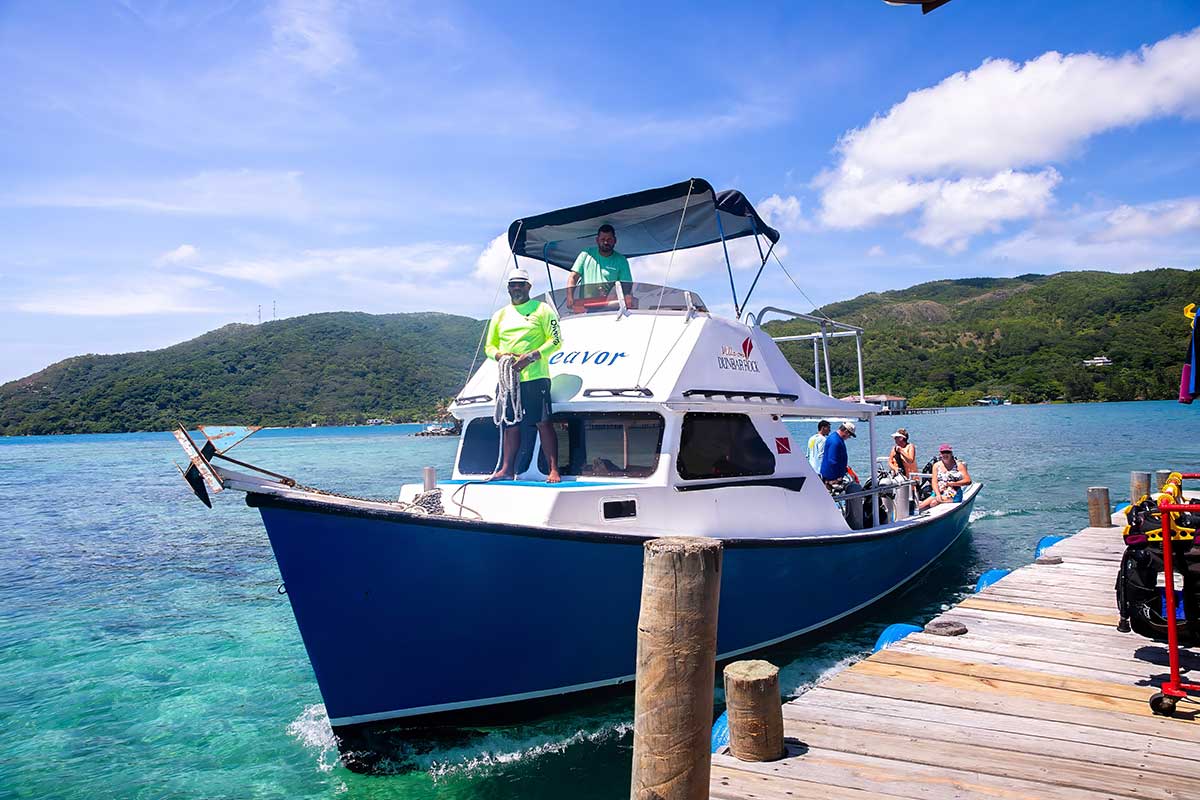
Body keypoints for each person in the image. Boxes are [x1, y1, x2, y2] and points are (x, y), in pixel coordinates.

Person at [485, 267, 563, 482]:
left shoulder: (543, 310)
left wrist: (532, 356)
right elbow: (489, 347)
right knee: (511, 423)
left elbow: (556, 341)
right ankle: (507, 470)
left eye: (520, 284)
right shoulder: (499, 315)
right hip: (510, 380)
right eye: (512, 284)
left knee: (543, 422)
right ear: (508, 288)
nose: (516, 288)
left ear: (529, 286)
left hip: (536, 376)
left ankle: (553, 470)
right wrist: (501, 355)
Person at [566, 224, 633, 309]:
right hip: (586, 307)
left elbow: (626, 285)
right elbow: (573, 277)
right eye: (603, 239)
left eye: (609, 239)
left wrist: (627, 298)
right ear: (597, 240)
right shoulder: (586, 254)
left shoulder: (621, 260)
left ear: (615, 240)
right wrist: (569, 297)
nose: (606, 242)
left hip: (610, 308)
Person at [919, 444, 972, 510]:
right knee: (921, 506)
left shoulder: (959, 465)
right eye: (943, 452)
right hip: (939, 491)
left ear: (951, 453)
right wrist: (938, 494)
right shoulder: (936, 465)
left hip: (953, 493)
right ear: (940, 454)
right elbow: (934, 482)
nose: (945, 454)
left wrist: (951, 484)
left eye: (947, 452)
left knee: (933, 503)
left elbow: (968, 481)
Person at [819, 421, 856, 485]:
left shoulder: (836, 438)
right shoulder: (835, 441)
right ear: (846, 431)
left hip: (831, 476)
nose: (849, 437)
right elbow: (832, 460)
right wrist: (838, 478)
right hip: (832, 478)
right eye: (850, 435)